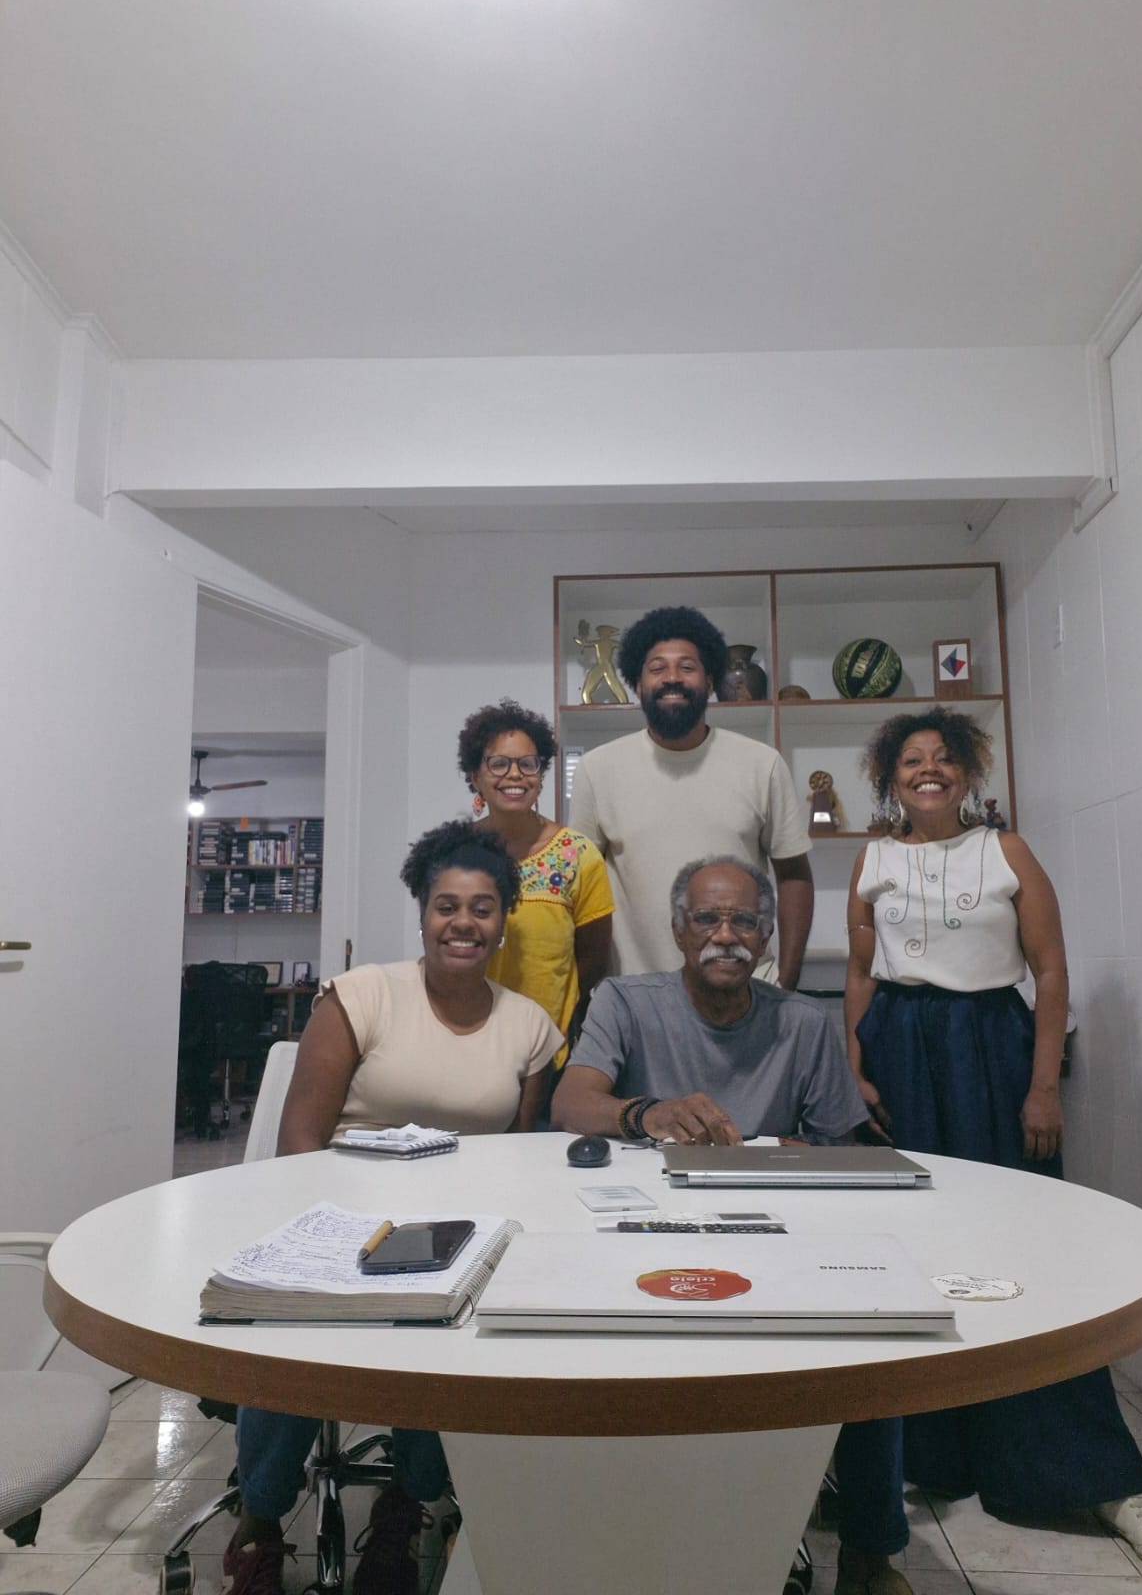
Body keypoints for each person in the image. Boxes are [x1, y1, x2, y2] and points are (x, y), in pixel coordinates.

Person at [845, 707, 1142, 1580]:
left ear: (969, 773)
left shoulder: (1007, 851)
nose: (928, 771)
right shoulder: (873, 859)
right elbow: (860, 970)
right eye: (911, 761)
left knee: (1026, 1251)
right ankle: (930, 1456)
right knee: (915, 1250)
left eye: (944, 759)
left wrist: (1042, 1084)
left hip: (990, 1053)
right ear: (890, 779)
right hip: (902, 1050)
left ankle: (1091, 1475)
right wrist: (856, 1066)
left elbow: (1050, 969)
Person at [553, 855, 914, 1595]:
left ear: (767, 935)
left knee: (872, 1341)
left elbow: (844, 1147)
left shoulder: (803, 1023)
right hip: (646, 1234)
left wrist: (808, 1154)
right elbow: (571, 1103)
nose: (726, 935)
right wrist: (647, 1113)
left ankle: (869, 1557)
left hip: (774, 1236)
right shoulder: (625, 1001)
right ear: (679, 931)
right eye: (708, 919)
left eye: (744, 920)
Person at [224, 820, 562, 1595]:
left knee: (459, 1331)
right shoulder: (363, 995)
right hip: (342, 1219)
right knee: (290, 1323)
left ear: (503, 920)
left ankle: (405, 1511)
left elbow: (523, 1161)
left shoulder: (529, 1026)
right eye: (447, 906)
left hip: (457, 1236)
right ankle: (261, 1520)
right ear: (422, 912)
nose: (463, 923)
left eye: (482, 908)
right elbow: (300, 1142)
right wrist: (328, 1244)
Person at [569, 604, 813, 986]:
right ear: (638, 685)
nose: (672, 678)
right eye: (657, 668)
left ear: (710, 683)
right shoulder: (597, 769)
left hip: (745, 991)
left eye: (687, 667)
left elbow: (794, 875)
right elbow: (582, 890)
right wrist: (589, 990)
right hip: (636, 993)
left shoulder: (761, 764)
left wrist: (787, 980)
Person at [457, 698, 613, 1066]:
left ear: (541, 776)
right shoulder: (453, 851)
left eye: (528, 764)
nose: (515, 774)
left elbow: (593, 958)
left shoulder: (578, 854)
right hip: (463, 1039)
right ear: (475, 776)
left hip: (548, 1051)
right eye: (498, 763)